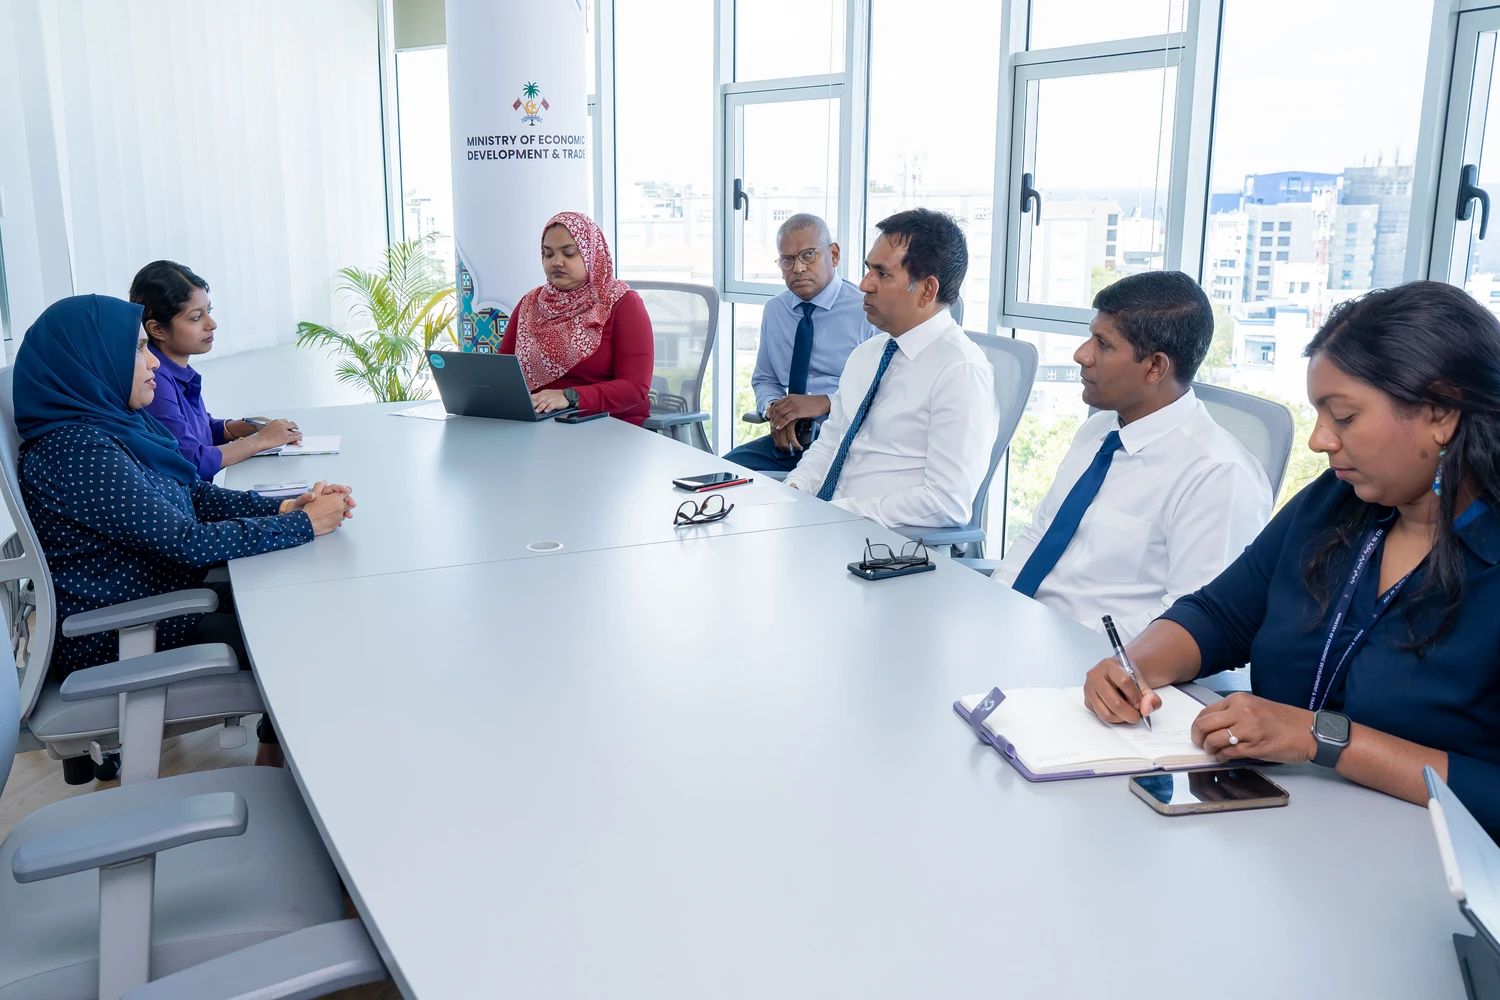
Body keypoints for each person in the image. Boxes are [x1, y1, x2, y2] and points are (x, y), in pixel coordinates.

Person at [1083, 281, 1500, 840]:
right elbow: (1221, 615)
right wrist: (1135, 665)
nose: (1319, 441)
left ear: (1441, 413)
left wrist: (1321, 739)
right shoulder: (1334, 502)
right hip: (1269, 826)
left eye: (1344, 417)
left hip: (1422, 855)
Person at [14, 295, 355, 767]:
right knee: (306, 628)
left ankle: (275, 763)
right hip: (126, 633)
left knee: (302, 598)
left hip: (164, 604)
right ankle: (290, 772)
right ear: (92, 361)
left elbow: (193, 494)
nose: (153, 361)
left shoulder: (115, 426)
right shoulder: (78, 450)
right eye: (138, 349)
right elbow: (186, 542)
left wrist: (283, 507)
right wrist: (303, 525)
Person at [994, 271, 1273, 643]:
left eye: (1103, 344)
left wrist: (1056, 638)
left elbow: (1194, 623)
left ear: (1155, 367)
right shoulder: (1098, 431)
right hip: (1020, 633)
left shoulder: (1218, 475)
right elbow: (1037, 534)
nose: (1081, 355)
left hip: (1098, 659)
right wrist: (997, 606)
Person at [786, 209, 998, 530]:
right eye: (868, 269)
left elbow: (947, 501)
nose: (864, 284)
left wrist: (839, 513)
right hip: (827, 527)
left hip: (886, 546)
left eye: (882, 274)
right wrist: (794, 489)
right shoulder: (867, 354)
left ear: (927, 290)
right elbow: (830, 445)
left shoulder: (960, 371)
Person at [724, 213, 874, 472]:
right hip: (791, 441)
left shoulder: (867, 311)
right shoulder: (776, 310)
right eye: (787, 260)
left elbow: (882, 390)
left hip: (847, 442)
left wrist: (826, 402)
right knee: (720, 474)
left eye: (808, 255)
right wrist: (776, 411)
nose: (798, 268)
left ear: (834, 254)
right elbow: (765, 380)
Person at [130, 260, 304, 480]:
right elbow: (191, 460)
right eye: (196, 317)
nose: (211, 324)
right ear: (157, 329)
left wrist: (244, 426)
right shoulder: (155, 378)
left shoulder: (176, 370)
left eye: (209, 311)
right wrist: (261, 441)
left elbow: (195, 432)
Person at [500, 211, 654, 426]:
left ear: (592, 254)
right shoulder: (531, 303)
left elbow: (635, 388)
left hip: (608, 424)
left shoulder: (621, 303)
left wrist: (569, 396)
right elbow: (503, 371)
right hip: (540, 423)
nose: (556, 262)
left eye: (569, 253)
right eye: (548, 254)